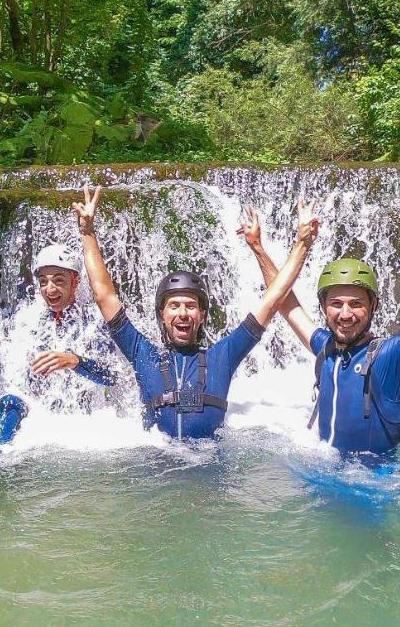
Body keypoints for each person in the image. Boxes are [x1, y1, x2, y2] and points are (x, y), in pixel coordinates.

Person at [240, 178, 400, 455]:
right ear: (324, 308)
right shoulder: (325, 347)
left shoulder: (391, 356)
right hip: (325, 477)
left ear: (373, 307)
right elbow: (284, 302)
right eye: (336, 303)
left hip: (374, 486)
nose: (345, 314)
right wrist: (258, 248)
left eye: (356, 304)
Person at [73, 185, 320, 440]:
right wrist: (87, 232)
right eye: (174, 306)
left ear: (202, 315)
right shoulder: (142, 354)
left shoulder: (223, 356)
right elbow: (104, 296)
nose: (183, 313)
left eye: (191, 306)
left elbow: (273, 300)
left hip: (209, 471)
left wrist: (299, 244)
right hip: (156, 468)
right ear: (162, 315)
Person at [0, 243, 117, 446]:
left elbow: (110, 376)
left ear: (75, 282)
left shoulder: (94, 321)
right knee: (9, 403)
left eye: (58, 280)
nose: (50, 289)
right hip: (35, 410)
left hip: (78, 417)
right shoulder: (29, 316)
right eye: (43, 282)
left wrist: (75, 361)